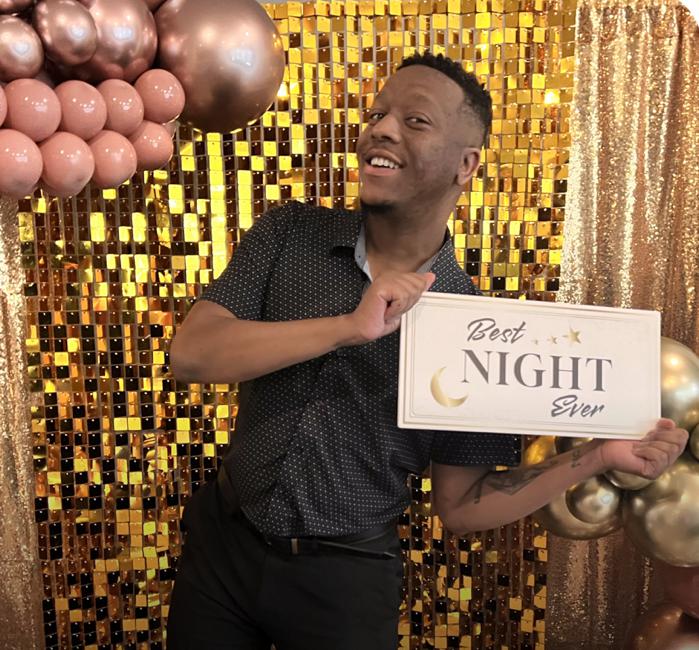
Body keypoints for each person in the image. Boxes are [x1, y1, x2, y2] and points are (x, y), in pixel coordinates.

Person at [166, 51, 687, 650]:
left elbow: (462, 506)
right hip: (221, 547)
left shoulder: (478, 330)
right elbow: (193, 354)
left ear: (466, 165)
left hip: (343, 581)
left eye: (415, 120)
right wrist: (349, 326)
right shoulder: (289, 233)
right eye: (379, 113)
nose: (380, 129)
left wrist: (600, 456)